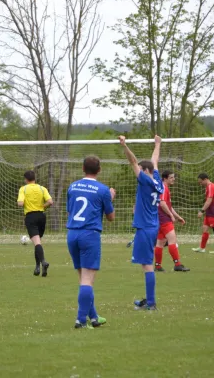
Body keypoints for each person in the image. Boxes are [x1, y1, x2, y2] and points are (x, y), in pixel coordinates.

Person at [66, 156, 116, 329]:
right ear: (99, 170)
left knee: (83, 278)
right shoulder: (102, 190)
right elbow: (111, 217)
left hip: (72, 234)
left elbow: (70, 210)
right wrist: (110, 198)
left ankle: (94, 317)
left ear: (82, 168)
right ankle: (80, 319)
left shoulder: (72, 186)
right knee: (88, 279)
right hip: (89, 234)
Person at [119, 135, 163, 311]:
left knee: (147, 265)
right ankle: (149, 300)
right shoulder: (157, 179)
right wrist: (157, 144)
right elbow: (155, 159)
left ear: (145, 171)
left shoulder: (144, 180)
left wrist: (124, 145)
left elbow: (133, 161)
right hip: (153, 225)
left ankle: (151, 303)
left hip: (145, 228)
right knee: (147, 263)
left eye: (140, 170)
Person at [17, 170, 53, 277]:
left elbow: (20, 203)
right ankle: (37, 267)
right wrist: (43, 206)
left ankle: (43, 262)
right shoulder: (42, 188)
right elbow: (50, 202)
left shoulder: (23, 189)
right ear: (34, 178)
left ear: (26, 179)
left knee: (37, 242)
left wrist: (24, 203)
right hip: (41, 217)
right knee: (38, 242)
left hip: (31, 217)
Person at [155, 170, 190, 272]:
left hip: (159, 219)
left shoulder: (163, 187)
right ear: (165, 178)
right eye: (171, 177)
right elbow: (162, 203)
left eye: (173, 177)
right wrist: (170, 216)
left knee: (160, 243)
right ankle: (177, 265)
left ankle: (157, 266)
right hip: (164, 219)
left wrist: (178, 216)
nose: (173, 179)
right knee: (172, 241)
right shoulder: (163, 188)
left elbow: (168, 206)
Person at [192, 173, 214, 254]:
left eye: (201, 182)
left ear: (205, 179)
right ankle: (202, 248)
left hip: (213, 212)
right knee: (205, 229)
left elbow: (209, 200)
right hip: (209, 212)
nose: (200, 184)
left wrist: (202, 211)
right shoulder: (212, 186)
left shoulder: (210, 187)